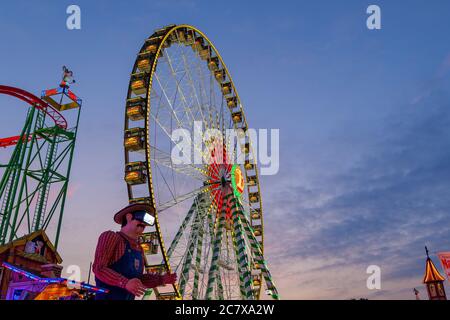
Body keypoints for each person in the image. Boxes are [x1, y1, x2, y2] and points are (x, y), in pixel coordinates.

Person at [93, 203, 177, 300]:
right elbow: (99, 268)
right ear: (128, 217)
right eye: (141, 218)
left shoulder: (139, 249)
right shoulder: (111, 237)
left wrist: (161, 279)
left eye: (146, 222)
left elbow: (138, 279)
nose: (143, 224)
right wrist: (125, 283)